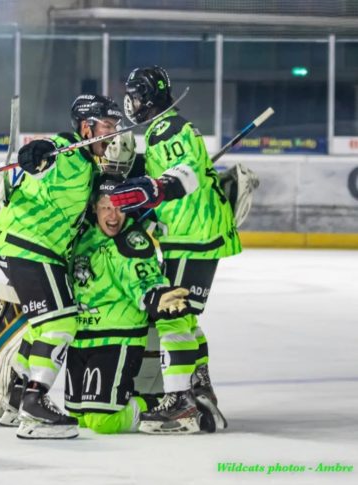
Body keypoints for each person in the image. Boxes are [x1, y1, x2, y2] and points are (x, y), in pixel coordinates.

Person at [0, 93, 124, 439]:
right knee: (62, 321)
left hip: (26, 247)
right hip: (31, 248)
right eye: (107, 127)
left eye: (115, 127)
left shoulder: (90, 163)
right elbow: (41, 154)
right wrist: (34, 155)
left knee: (41, 325)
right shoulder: (65, 151)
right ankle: (36, 403)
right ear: (85, 127)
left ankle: (17, 398)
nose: (113, 135)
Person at [110, 65, 240, 431]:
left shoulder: (167, 128)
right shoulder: (162, 129)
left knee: (173, 314)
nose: (130, 102)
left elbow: (187, 172)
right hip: (196, 233)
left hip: (193, 235)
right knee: (186, 316)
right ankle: (199, 388)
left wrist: (155, 188)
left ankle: (179, 401)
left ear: (148, 99)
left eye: (135, 96)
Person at [65, 175, 200, 434]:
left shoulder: (132, 241)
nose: (113, 215)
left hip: (116, 337)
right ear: (94, 207)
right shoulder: (83, 234)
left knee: (103, 422)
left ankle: (166, 404)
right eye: (106, 207)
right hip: (81, 339)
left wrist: (154, 295)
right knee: (79, 417)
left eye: (119, 207)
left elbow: (145, 276)